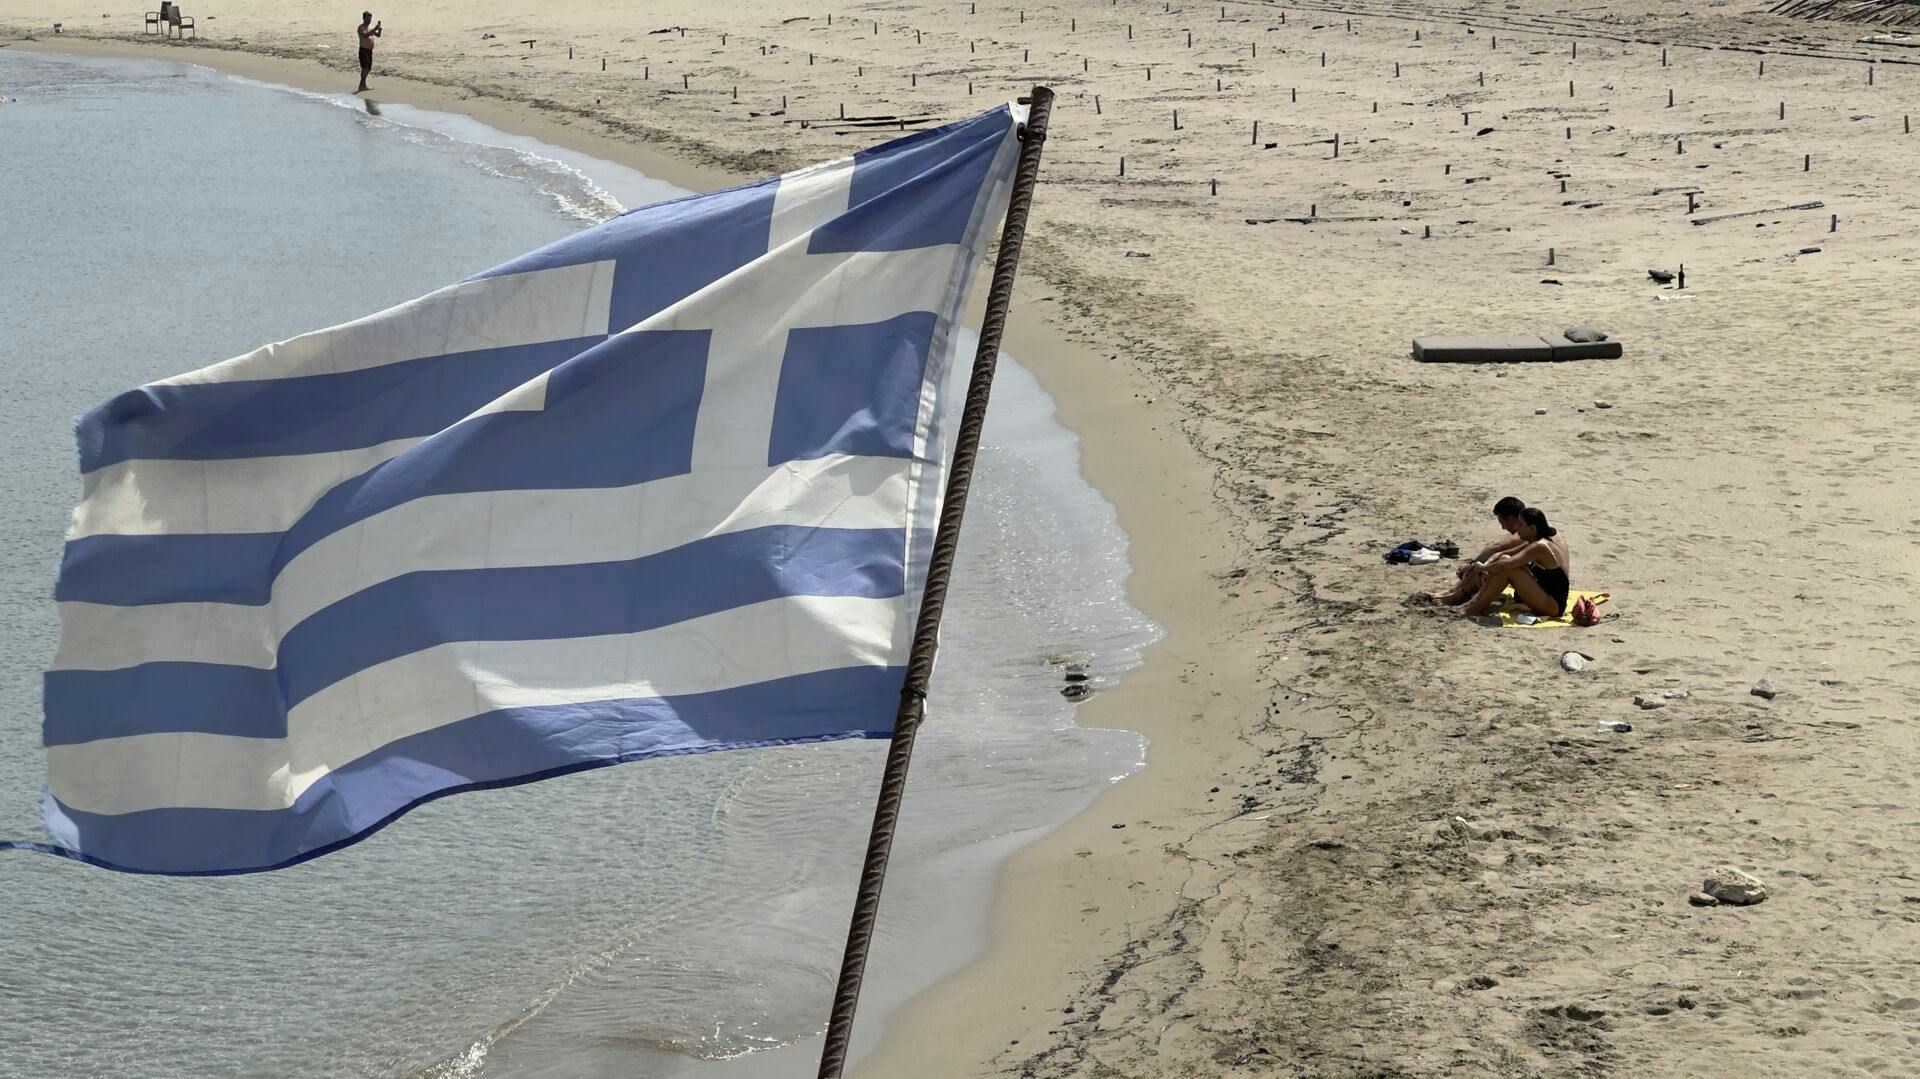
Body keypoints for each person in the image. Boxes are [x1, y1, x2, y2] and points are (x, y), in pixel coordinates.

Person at [1458, 507, 1572, 618]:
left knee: (1508, 569)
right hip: (1545, 596)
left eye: (1520, 524)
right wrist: (1483, 565)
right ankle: (1474, 603)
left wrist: (1483, 568)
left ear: (1532, 528)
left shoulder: (1540, 546)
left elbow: (1507, 565)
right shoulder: (1534, 541)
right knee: (1504, 559)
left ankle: (1478, 607)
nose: (1517, 528)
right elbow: (1501, 554)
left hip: (1553, 606)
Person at [1426, 495, 1528, 607]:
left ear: (1511, 519)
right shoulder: (1529, 529)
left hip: (1539, 593)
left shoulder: (1523, 534)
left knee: (1490, 565)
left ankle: (1459, 594)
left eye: (1502, 522)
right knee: (1485, 566)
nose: (1503, 528)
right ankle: (1454, 592)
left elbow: (1496, 548)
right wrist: (1478, 566)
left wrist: (1471, 566)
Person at [356, 12, 382, 93]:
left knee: (368, 68)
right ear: (364, 18)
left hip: (369, 51)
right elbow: (364, 35)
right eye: (368, 18)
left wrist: (379, 30)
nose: (369, 20)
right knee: (365, 68)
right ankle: (362, 85)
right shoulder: (361, 27)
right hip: (363, 50)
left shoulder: (370, 27)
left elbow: (378, 35)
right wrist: (374, 29)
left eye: (370, 18)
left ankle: (362, 84)